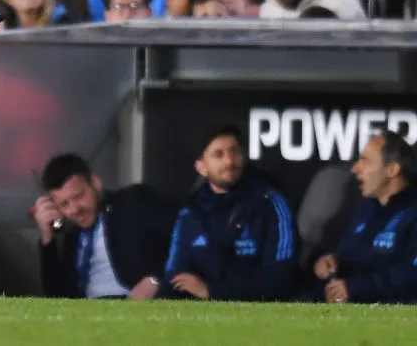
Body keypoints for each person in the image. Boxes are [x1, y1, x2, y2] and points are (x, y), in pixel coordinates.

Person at [161, 125, 298, 301]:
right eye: (218, 155)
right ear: (201, 167)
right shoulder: (190, 213)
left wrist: (213, 292)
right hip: (200, 314)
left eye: (235, 152)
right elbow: (174, 277)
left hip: (258, 314)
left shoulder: (271, 204)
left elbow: (282, 278)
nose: (229, 162)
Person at [34, 153, 175, 299]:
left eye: (78, 196)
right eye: (64, 204)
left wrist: (155, 279)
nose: (74, 210)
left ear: (95, 182)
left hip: (131, 302)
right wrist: (47, 237)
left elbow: (183, 237)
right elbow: (56, 295)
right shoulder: (71, 237)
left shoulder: (131, 202)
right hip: (87, 309)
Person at [308, 131, 417, 304]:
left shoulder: (412, 211)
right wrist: (334, 263)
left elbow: (411, 273)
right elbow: (351, 256)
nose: (355, 169)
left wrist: (356, 288)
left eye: (365, 160)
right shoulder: (366, 209)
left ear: (392, 169)